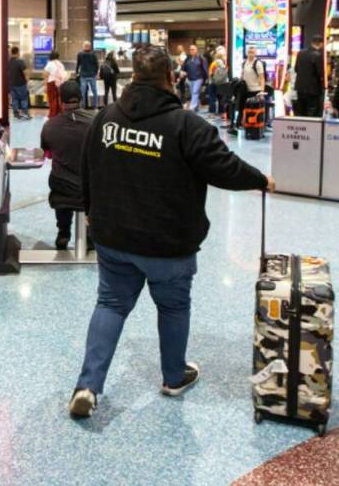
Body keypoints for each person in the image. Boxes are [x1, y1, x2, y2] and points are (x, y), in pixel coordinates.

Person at [69, 45, 274, 417]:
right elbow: (223, 168)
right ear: (169, 78)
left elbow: (86, 168)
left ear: (134, 78)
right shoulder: (186, 125)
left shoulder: (106, 118)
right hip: (168, 244)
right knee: (174, 306)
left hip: (113, 236)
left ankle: (87, 386)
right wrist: (261, 179)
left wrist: (90, 213)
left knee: (111, 304)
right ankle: (173, 376)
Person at [40, 81, 93, 250]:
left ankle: (63, 231)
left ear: (61, 100)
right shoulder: (96, 122)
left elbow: (47, 153)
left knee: (60, 181)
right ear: (81, 98)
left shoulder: (49, 126)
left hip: (62, 186)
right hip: (90, 188)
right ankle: (90, 234)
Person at [228, 47, 266, 136]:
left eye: (252, 52)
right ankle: (237, 126)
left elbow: (262, 78)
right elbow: (243, 75)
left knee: (254, 110)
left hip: (255, 90)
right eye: (249, 52)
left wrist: (261, 91)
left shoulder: (258, 63)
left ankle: (256, 128)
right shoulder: (244, 63)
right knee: (241, 108)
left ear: (255, 53)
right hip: (245, 90)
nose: (250, 54)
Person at [293, 35, 326, 117]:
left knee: (301, 110)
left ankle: (301, 128)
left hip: (300, 87)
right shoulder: (318, 55)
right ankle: (310, 129)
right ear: (321, 44)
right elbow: (319, 73)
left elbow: (296, 68)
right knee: (312, 110)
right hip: (313, 88)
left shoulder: (300, 53)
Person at [181, 45, 208, 112]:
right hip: (190, 78)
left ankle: (192, 107)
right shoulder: (188, 59)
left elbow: (205, 69)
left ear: (196, 50)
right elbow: (184, 67)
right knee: (193, 93)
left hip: (199, 78)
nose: (191, 51)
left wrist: (206, 79)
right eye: (190, 49)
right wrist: (183, 72)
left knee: (195, 92)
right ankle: (196, 107)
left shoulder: (201, 58)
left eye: (193, 49)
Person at [8, 46, 30, 120]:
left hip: (11, 84)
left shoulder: (8, 62)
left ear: (11, 53)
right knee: (23, 98)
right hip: (21, 84)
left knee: (14, 99)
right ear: (17, 52)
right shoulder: (20, 61)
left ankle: (16, 114)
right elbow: (25, 72)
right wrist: (27, 81)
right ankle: (25, 113)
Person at [43, 50, 68, 118]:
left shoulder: (50, 64)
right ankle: (60, 116)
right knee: (59, 100)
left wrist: (45, 86)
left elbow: (45, 75)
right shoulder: (60, 64)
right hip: (60, 84)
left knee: (52, 100)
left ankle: (53, 116)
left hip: (52, 83)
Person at [76, 42, 99, 109]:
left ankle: (83, 107)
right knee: (94, 91)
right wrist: (96, 73)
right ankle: (95, 107)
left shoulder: (80, 54)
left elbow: (78, 64)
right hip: (92, 75)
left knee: (82, 93)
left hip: (83, 76)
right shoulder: (93, 54)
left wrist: (77, 72)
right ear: (90, 46)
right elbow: (96, 64)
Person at [208, 49, 230, 115]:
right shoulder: (224, 64)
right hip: (222, 83)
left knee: (212, 97)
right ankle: (221, 110)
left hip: (213, 82)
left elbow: (210, 73)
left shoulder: (213, 63)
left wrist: (211, 79)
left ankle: (212, 110)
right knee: (221, 97)